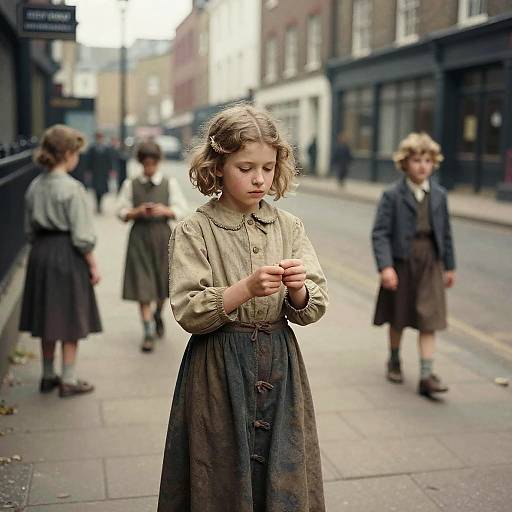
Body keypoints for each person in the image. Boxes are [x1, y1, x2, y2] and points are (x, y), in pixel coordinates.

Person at [158, 105, 328, 512]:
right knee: (218, 468)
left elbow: (314, 303)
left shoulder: (289, 226)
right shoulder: (194, 229)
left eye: (268, 168)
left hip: (280, 365)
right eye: (246, 167)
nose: (259, 179)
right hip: (218, 368)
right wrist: (244, 289)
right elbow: (187, 310)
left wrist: (299, 290)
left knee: (282, 462)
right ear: (217, 167)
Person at [19, 124, 102, 398]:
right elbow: (81, 234)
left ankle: (47, 374)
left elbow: (29, 230)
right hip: (67, 254)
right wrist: (92, 263)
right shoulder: (72, 188)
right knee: (69, 318)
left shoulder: (34, 186)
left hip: (41, 252)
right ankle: (68, 378)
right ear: (68, 154)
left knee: (47, 317)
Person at [371, 132, 456, 399]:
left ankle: (426, 375)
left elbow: (446, 233)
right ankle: (394, 359)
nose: (422, 166)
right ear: (405, 163)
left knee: (429, 319)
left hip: (430, 261)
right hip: (401, 262)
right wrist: (386, 267)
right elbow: (380, 233)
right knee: (399, 315)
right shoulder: (392, 195)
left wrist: (450, 266)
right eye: (417, 160)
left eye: (428, 161)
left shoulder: (439, 195)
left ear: (434, 163)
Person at [117, 140, 188, 352]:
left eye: (152, 164)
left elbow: (181, 209)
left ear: (158, 162)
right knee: (142, 284)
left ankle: (158, 312)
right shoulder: (131, 184)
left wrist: (165, 211)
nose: (149, 168)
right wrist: (135, 212)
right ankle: (147, 331)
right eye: (145, 164)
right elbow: (121, 210)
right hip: (139, 238)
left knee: (162, 283)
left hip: (162, 237)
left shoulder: (169, 183)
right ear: (141, 163)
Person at [86, 131, 114, 213]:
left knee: (102, 190)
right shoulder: (92, 148)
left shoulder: (106, 148)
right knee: (95, 190)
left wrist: (111, 169)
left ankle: (100, 204)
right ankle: (97, 205)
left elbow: (109, 160)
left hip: (103, 172)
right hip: (95, 172)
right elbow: (88, 160)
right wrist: (88, 171)